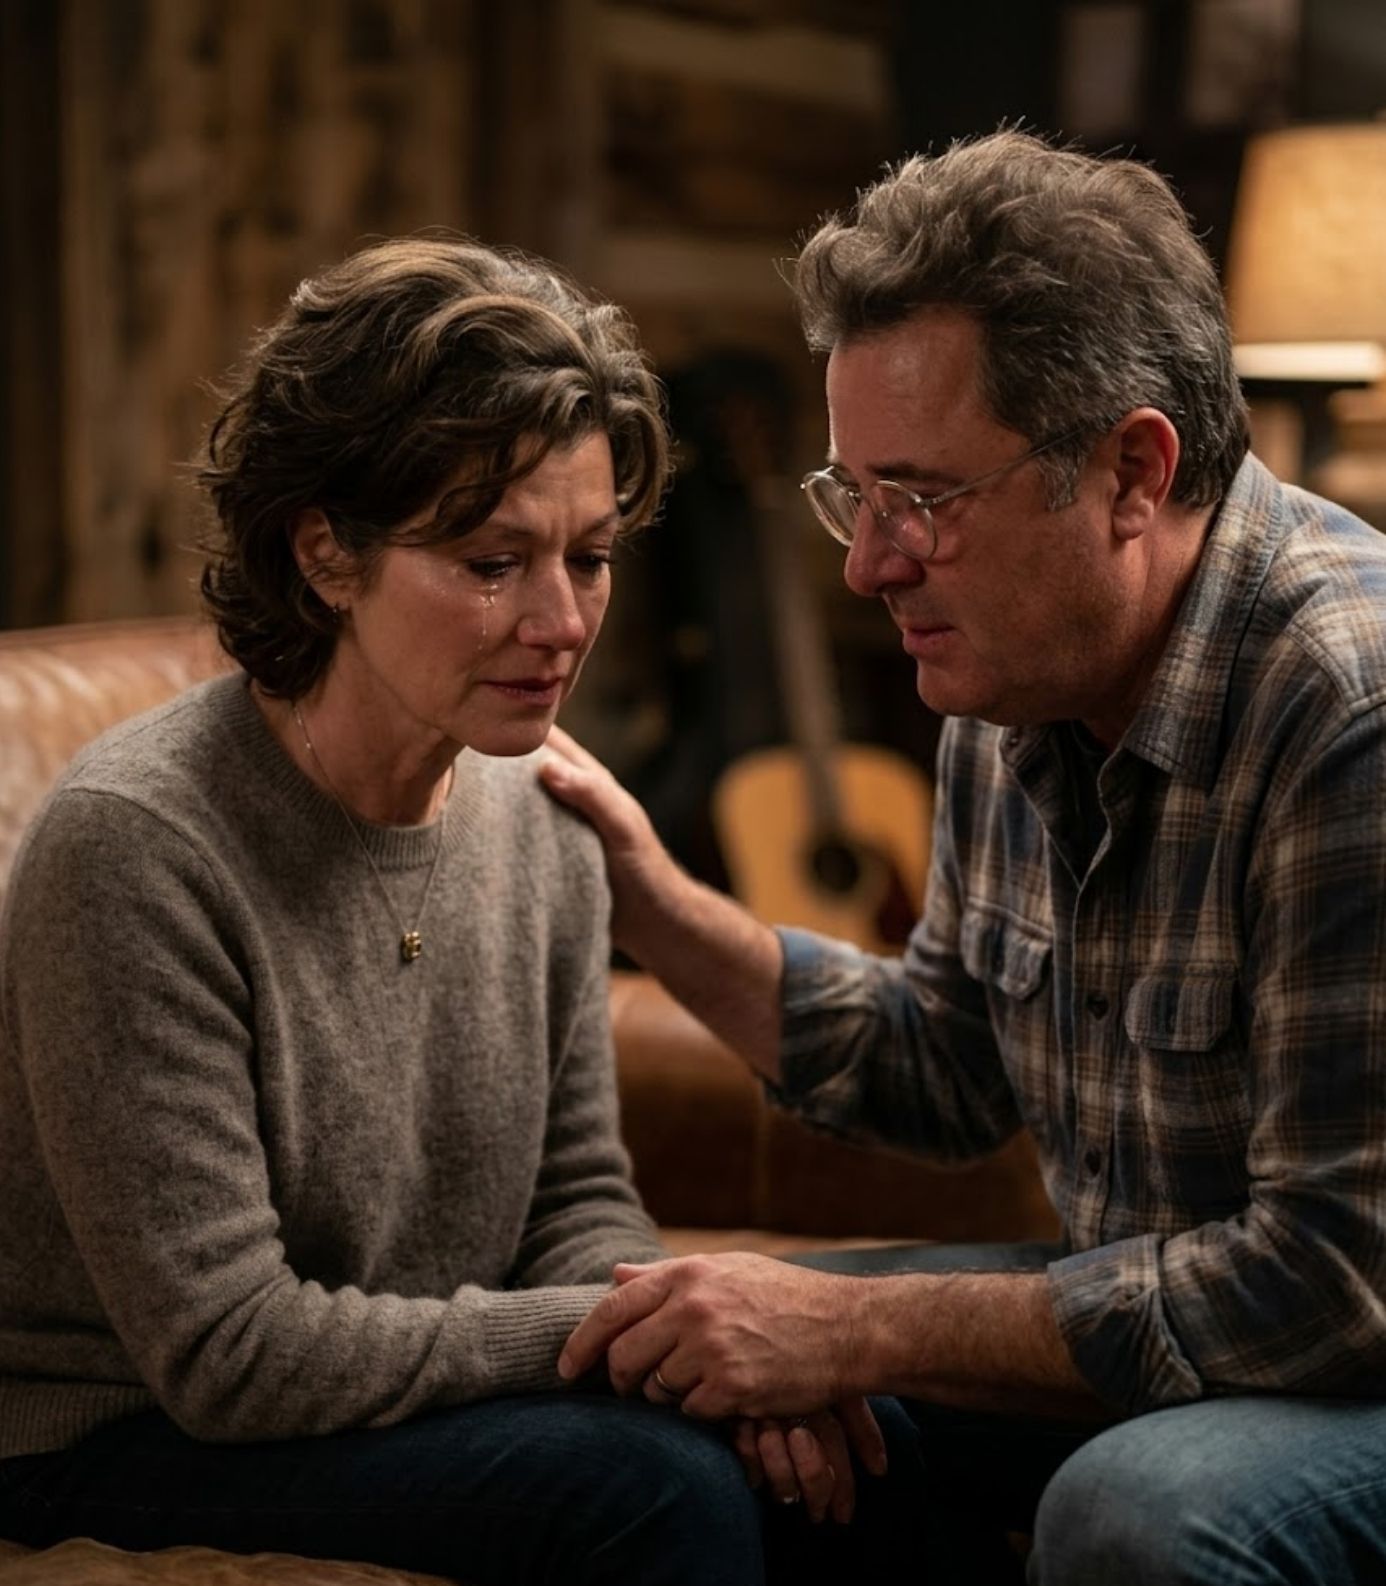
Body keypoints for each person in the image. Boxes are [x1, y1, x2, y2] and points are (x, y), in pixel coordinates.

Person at [0, 237, 912, 1585]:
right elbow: (228, 1351)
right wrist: (640, 1341)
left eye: (589, 558)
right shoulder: (138, 845)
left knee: (875, 1442)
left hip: (389, 1375)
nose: (561, 621)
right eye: (492, 563)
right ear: (327, 551)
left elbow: (577, 1196)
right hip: (120, 1426)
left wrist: (697, 1351)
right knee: (657, 1489)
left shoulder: (541, 803)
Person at [543, 130, 1386, 1584]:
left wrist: (861, 1325)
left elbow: (1333, 1279)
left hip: (1351, 1343)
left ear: (1131, 472)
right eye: (853, 495)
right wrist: (647, 891)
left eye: (922, 501)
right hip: (1201, 1323)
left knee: (1132, 1514)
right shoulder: (1012, 670)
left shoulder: (1347, 706)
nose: (869, 565)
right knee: (712, 1381)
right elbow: (943, 1065)